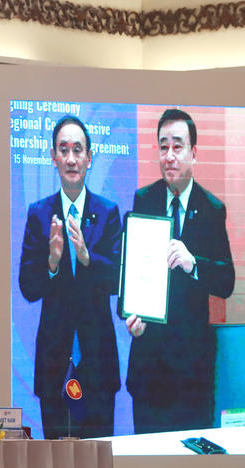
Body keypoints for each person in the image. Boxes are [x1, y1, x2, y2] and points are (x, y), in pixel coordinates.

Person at [125, 108, 235, 434]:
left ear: (194, 153)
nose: (169, 155)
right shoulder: (143, 199)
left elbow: (226, 281)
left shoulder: (212, 208)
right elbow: (131, 270)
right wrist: (131, 315)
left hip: (192, 373)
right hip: (149, 366)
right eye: (163, 146)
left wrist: (193, 263)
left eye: (177, 146)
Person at [19, 115, 121, 439]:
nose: (71, 158)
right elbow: (28, 287)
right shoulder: (39, 214)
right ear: (53, 157)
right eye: (64, 150)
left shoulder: (107, 212)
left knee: (99, 456)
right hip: (54, 363)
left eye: (78, 150)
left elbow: (118, 280)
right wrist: (52, 261)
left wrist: (87, 258)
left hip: (98, 363)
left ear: (89, 158)